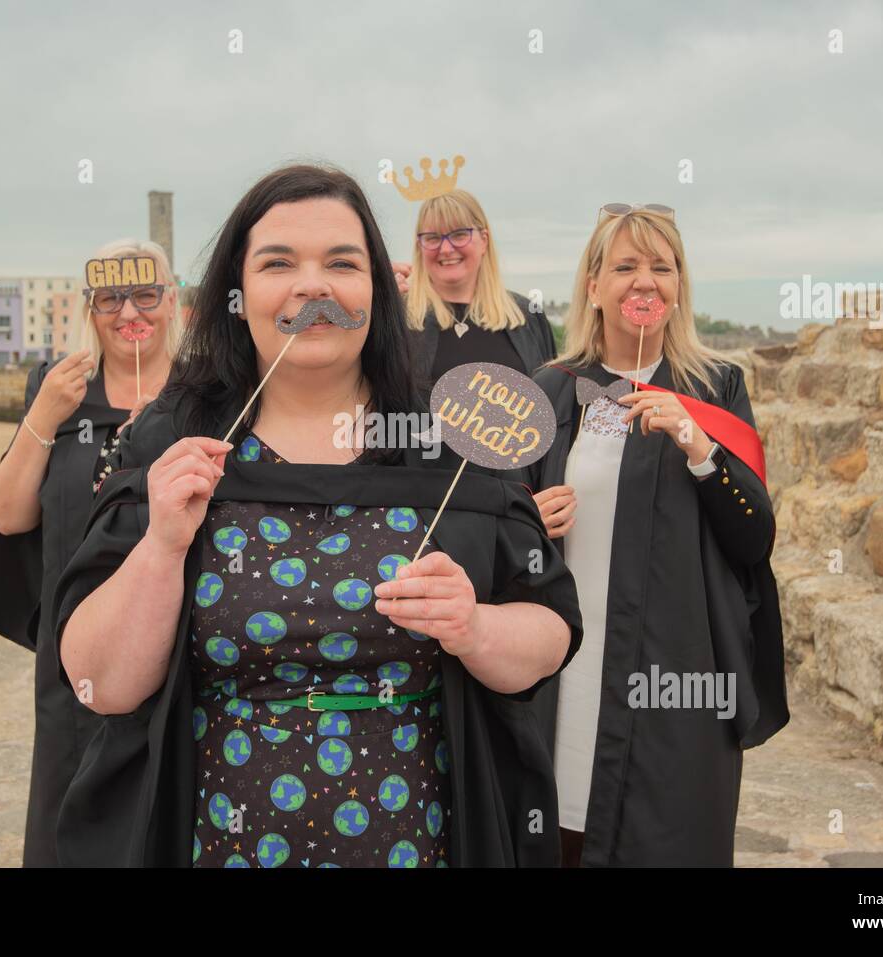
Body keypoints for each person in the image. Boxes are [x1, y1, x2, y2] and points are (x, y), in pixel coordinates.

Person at [50, 164, 584, 867]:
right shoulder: (173, 437)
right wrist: (160, 545)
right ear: (238, 295)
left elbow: (549, 634)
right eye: (279, 263)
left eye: (342, 262)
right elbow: (100, 683)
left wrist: (475, 626)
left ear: (375, 291)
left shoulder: (445, 442)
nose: (314, 286)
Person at [528, 205, 789, 867]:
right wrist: (529, 519)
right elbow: (496, 529)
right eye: (624, 266)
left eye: (661, 266)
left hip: (669, 680)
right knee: (558, 833)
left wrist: (700, 447)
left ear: (679, 286)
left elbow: (753, 538)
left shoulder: (713, 387)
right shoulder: (553, 391)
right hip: (565, 674)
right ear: (593, 287)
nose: (644, 281)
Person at [0, 238, 177, 867]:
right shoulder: (58, 387)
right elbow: (8, 517)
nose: (128, 313)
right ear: (90, 308)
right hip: (73, 666)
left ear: (173, 302)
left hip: (175, 654)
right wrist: (43, 415)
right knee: (70, 831)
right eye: (110, 298)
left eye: (145, 294)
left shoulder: (208, 395)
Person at [403, 189, 556, 390]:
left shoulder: (527, 316)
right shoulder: (398, 318)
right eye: (432, 238)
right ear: (419, 246)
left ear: (484, 240)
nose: (446, 249)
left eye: (459, 235)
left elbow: (553, 399)